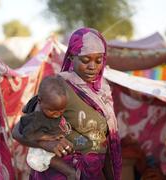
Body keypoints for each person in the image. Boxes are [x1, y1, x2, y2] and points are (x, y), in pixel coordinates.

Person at [13, 27, 122, 180]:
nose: (92, 66)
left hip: (93, 172)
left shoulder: (102, 90)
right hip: (64, 173)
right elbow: (18, 131)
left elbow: (105, 142)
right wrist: (46, 144)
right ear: (71, 57)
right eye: (85, 60)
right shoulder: (59, 87)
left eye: (98, 60)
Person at [19, 76, 80, 180]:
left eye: (61, 110)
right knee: (66, 168)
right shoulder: (37, 118)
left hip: (54, 144)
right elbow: (26, 134)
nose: (57, 114)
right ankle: (70, 174)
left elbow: (26, 108)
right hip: (41, 152)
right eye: (53, 111)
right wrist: (47, 138)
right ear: (40, 101)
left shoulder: (47, 104)